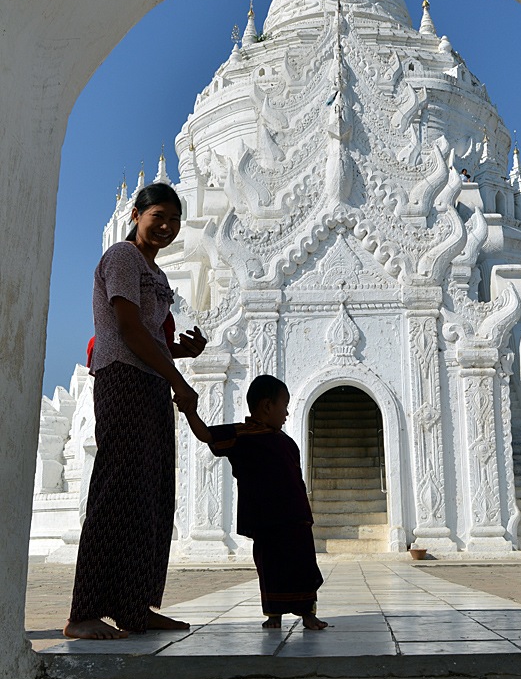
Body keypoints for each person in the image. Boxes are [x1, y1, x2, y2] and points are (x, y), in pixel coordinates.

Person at [64, 183, 206, 640]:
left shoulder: (157, 274)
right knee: (117, 489)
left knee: (152, 493)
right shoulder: (123, 258)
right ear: (135, 213)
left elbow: (151, 335)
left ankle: (134, 606)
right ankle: (83, 612)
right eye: (158, 216)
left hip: (150, 381)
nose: (166, 227)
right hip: (122, 378)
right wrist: (178, 380)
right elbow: (126, 327)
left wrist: (180, 353)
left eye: (173, 220)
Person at [179, 374, 328, 630]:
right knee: (270, 566)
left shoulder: (288, 443)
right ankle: (274, 615)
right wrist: (190, 412)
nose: (287, 413)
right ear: (267, 406)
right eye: (284, 405)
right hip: (266, 518)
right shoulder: (241, 435)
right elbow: (206, 435)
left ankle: (308, 615)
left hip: (295, 517)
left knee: (303, 566)